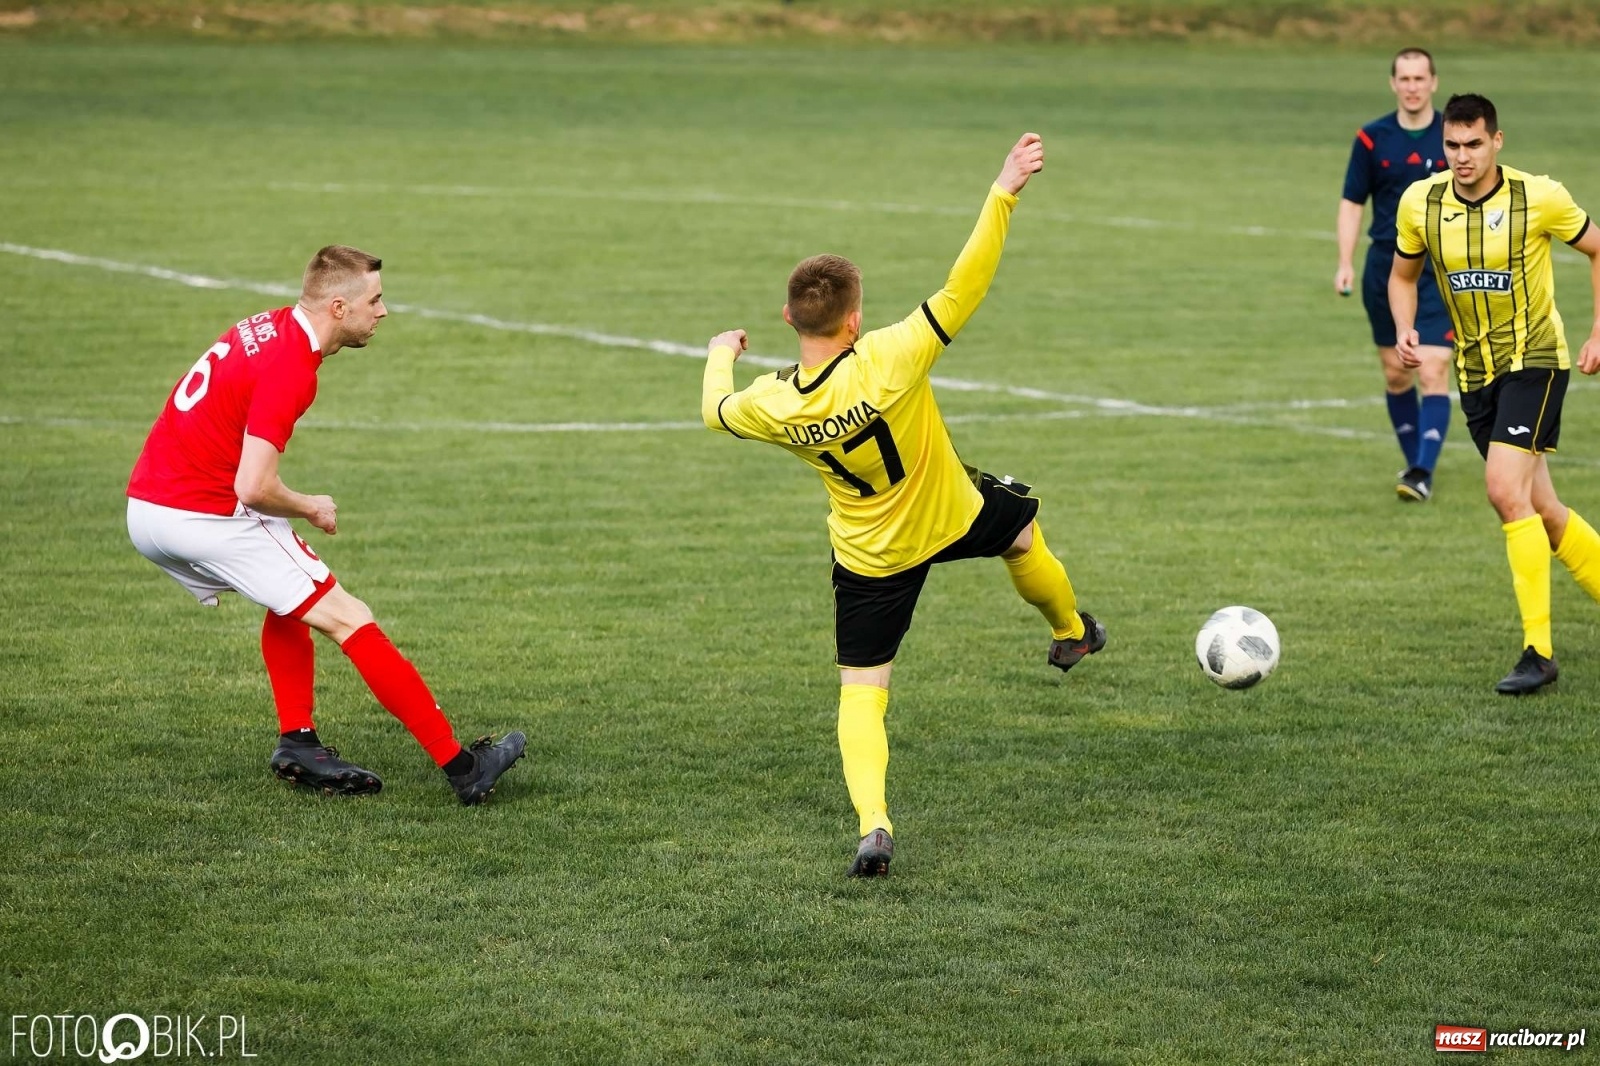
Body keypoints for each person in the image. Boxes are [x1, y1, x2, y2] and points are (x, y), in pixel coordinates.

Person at [700, 134, 1103, 877]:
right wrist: (1003, 190)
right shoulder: (891, 355)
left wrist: (722, 349)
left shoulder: (774, 403)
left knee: (864, 691)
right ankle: (1072, 631)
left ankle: (874, 826)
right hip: (950, 512)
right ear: (853, 320)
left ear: (790, 321)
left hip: (869, 554)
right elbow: (964, 285)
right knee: (1020, 534)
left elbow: (715, 410)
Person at [126, 245, 527, 802]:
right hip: (204, 512)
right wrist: (310, 504)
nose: (383, 312)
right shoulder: (292, 366)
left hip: (147, 509)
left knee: (286, 593)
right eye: (376, 300)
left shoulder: (265, 327)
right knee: (350, 618)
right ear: (338, 306)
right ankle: (464, 768)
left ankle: (298, 741)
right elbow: (253, 488)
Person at [1391, 93, 1600, 694]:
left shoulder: (1540, 197)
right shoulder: (1421, 204)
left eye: (1474, 144)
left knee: (1505, 493)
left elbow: (1598, 248)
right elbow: (1402, 275)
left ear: (1497, 142)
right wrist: (1407, 326)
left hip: (1535, 361)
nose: (1462, 157)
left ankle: (1539, 652)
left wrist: (1597, 331)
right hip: (1475, 374)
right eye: (1452, 146)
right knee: (1547, 515)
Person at [1335, 47, 1456, 502]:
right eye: (1403, 78)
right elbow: (1352, 202)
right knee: (1396, 371)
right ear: (1393, 84)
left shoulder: (1452, 137)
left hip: (1438, 270)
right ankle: (1414, 466)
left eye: (1419, 78)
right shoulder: (1371, 139)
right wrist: (1345, 262)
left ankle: (1422, 471)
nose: (1411, 86)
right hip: (1386, 269)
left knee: (1433, 366)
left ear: (1433, 82)